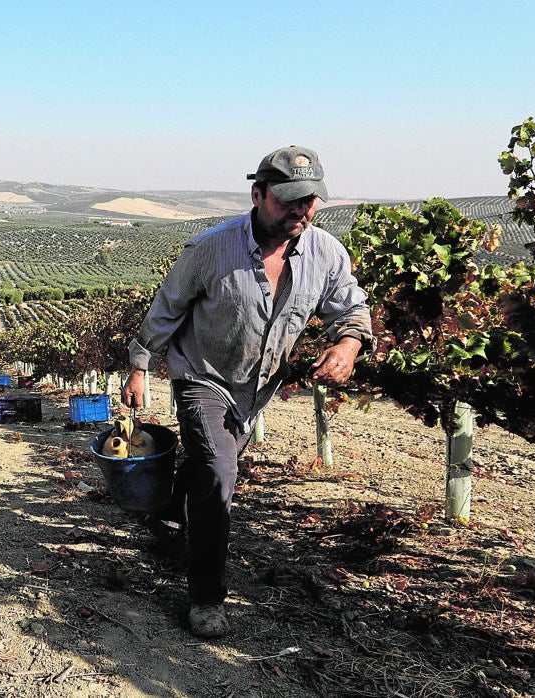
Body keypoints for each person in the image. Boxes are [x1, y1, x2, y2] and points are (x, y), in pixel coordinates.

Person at [121, 146, 373, 638]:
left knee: (205, 466)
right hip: (202, 375)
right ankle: (206, 597)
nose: (301, 210)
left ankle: (169, 516)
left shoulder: (327, 253)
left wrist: (347, 344)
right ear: (258, 194)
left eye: (311, 201)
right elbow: (166, 309)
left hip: (256, 391)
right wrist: (138, 365)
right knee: (219, 472)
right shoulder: (210, 248)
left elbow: (351, 308)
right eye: (289, 200)